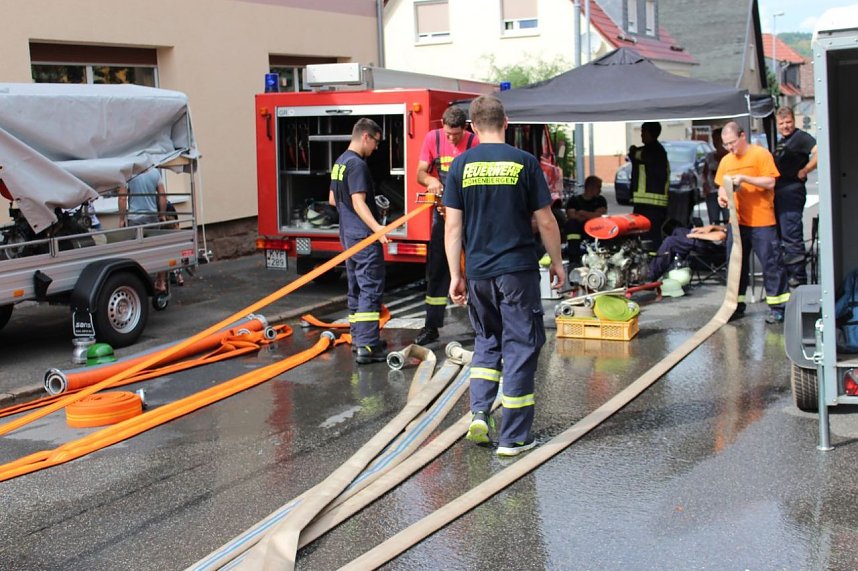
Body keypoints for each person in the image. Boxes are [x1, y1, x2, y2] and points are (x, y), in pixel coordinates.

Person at [443, 95, 565, 457]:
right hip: (516, 271)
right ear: (506, 122)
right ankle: (513, 437)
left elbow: (453, 226)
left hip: (479, 273)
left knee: (487, 342)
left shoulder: (460, 165)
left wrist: (456, 274)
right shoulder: (525, 163)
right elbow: (545, 219)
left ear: (472, 127)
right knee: (521, 345)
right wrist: (557, 263)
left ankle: (480, 413)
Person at [413, 106, 479, 346]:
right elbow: (420, 172)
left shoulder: (475, 142)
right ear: (442, 125)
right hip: (442, 213)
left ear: (465, 128)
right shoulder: (433, 138)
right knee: (438, 269)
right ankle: (431, 326)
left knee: (474, 266)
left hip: (470, 214)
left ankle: (481, 323)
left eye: (456, 135)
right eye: (448, 134)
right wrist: (430, 180)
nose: (451, 139)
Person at [328, 118, 389, 364]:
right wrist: (377, 229)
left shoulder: (340, 162)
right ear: (366, 136)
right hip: (363, 237)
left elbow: (334, 200)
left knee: (355, 288)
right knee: (370, 289)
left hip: (348, 235)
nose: (376, 148)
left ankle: (359, 339)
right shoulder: (357, 165)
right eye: (376, 142)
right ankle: (368, 346)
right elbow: (358, 201)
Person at [716, 121, 789, 324]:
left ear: (742, 136)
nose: (730, 148)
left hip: (762, 220)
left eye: (732, 143)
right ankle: (735, 305)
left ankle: (778, 307)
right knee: (736, 265)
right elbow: (722, 186)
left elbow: (770, 181)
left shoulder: (760, 154)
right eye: (726, 145)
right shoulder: (726, 162)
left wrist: (745, 178)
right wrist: (721, 196)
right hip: (737, 223)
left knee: (771, 263)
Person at [773, 107, 818, 287]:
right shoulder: (782, 141)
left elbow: (819, 151)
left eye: (788, 122)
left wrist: (806, 169)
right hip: (779, 193)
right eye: (782, 123)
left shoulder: (801, 137)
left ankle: (798, 278)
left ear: (794, 121)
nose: (785, 126)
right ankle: (787, 275)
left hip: (792, 192)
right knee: (781, 236)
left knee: (791, 235)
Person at [118, 167, 168, 293]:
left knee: (135, 252)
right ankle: (161, 282)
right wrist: (162, 214)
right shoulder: (155, 173)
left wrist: (121, 219)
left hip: (135, 219)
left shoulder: (128, 174)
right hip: (152, 217)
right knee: (158, 249)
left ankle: (138, 284)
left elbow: (122, 198)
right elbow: (162, 195)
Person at [630, 121, 670, 248]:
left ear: (650, 133)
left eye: (643, 132)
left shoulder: (654, 151)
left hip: (651, 204)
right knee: (643, 234)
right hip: (647, 203)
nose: (641, 135)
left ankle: (653, 263)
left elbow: (635, 154)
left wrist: (632, 150)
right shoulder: (657, 150)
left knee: (650, 236)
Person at [648, 224, 727, 281]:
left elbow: (719, 237)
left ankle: (650, 276)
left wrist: (697, 236)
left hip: (719, 249)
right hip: (713, 242)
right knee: (678, 230)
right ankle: (675, 266)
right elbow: (727, 228)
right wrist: (712, 227)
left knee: (671, 241)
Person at [564, 175, 607, 265]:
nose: (600, 190)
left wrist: (582, 212)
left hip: (595, 230)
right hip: (578, 230)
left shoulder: (600, 200)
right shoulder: (574, 200)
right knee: (572, 224)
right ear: (590, 187)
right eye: (598, 187)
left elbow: (599, 215)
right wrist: (591, 215)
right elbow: (572, 216)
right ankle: (574, 258)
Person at [702, 127, 729, 225]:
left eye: (717, 139)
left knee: (728, 219)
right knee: (713, 220)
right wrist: (705, 185)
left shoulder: (730, 156)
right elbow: (704, 173)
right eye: (713, 140)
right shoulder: (710, 156)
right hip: (712, 192)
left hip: (726, 192)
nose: (715, 142)